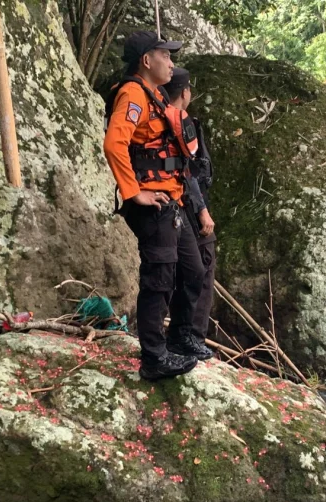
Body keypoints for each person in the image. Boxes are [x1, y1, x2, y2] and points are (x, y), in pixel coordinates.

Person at [103, 31, 211, 381]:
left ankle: (181, 335)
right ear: (147, 61)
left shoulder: (157, 96)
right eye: (166, 55)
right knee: (159, 278)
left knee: (194, 269)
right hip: (152, 204)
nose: (171, 62)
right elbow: (114, 143)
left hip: (172, 202)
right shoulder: (133, 94)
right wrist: (134, 193)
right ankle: (153, 357)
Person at [164, 68, 217, 351]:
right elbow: (188, 173)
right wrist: (202, 210)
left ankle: (183, 334)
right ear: (185, 92)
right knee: (201, 267)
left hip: (174, 206)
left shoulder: (162, 118)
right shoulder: (178, 122)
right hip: (187, 207)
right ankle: (191, 336)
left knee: (184, 271)